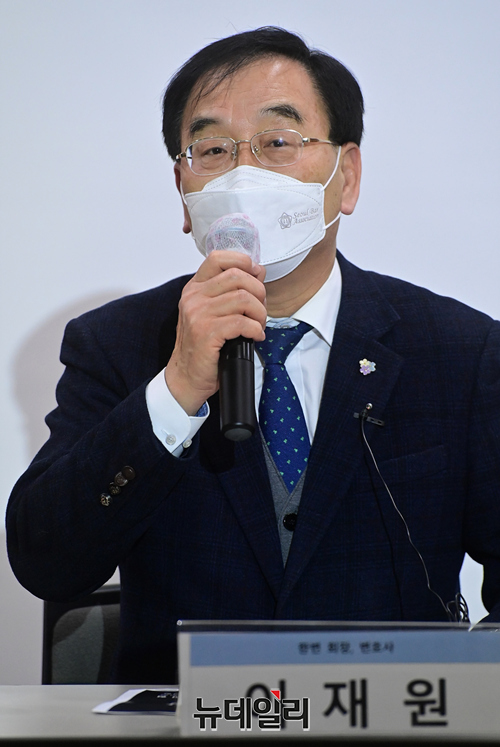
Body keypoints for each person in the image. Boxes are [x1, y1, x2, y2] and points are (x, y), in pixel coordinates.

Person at [6, 27, 500, 685]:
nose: (244, 174)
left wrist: (465, 692)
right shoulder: (117, 344)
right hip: (187, 720)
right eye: (213, 149)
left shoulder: (461, 351)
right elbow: (46, 562)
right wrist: (176, 388)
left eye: (277, 142)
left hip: (388, 717)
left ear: (347, 176)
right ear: (184, 191)